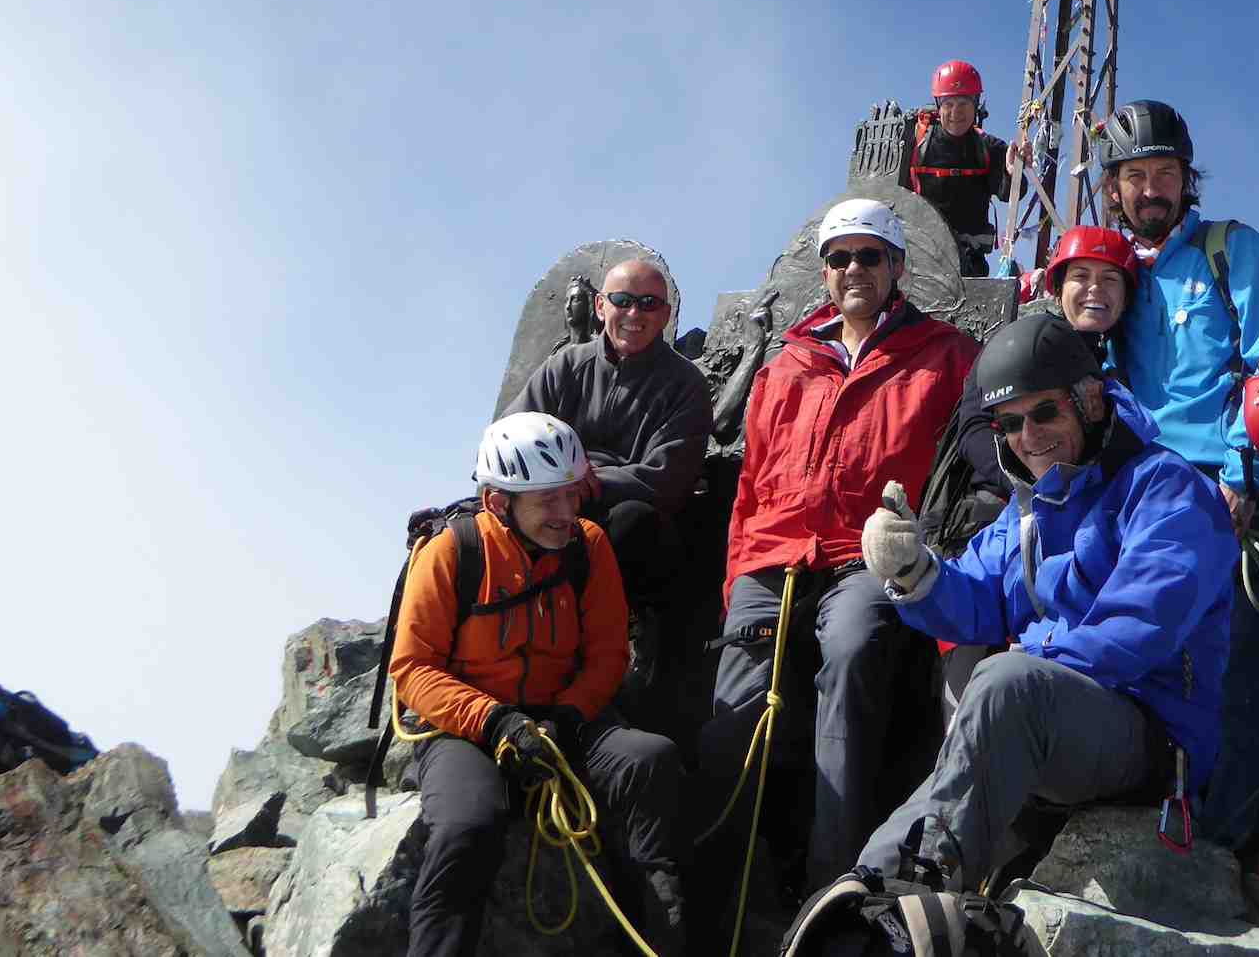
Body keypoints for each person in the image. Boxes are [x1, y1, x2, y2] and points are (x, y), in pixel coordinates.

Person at [854, 312, 1237, 887]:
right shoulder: (1029, 510)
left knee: (1003, 687)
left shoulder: (1169, 489)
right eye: (1008, 423)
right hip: (1050, 716)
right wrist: (914, 572)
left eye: (1045, 412)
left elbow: (1137, 629)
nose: (1027, 438)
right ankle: (862, 899)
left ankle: (921, 892)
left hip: (1155, 737)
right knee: (916, 811)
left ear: (1089, 400)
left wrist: (1029, 660)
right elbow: (978, 597)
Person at [700, 198, 978, 893]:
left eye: (869, 256)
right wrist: (739, 578)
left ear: (898, 267)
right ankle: (721, 889)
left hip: (866, 556)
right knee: (735, 709)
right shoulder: (787, 364)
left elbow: (979, 450)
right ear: (824, 274)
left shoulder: (945, 355)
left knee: (852, 661)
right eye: (839, 258)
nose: (853, 269)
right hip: (773, 554)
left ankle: (834, 887)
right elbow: (752, 480)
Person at [390, 412, 685, 957]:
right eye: (547, 499)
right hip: (467, 729)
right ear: (499, 503)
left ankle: (660, 939)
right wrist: (497, 721)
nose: (567, 512)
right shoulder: (451, 552)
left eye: (571, 495)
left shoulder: (588, 546)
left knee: (650, 761)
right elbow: (413, 668)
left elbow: (607, 653)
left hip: (560, 720)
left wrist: (568, 717)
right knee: (467, 826)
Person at [1097, 98, 1259, 850]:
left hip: (1233, 493)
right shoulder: (1109, 274)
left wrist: (1242, 473)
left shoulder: (1231, 249)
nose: (1151, 188)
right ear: (1113, 188)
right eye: (1135, 176)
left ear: (1189, 181)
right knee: (1157, 660)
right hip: (1148, 501)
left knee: (1245, 671)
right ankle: (1161, 823)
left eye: (1166, 173)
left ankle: (1238, 847)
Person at [925, 226, 1139, 723]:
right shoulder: (1012, 344)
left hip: (1087, 531)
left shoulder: (1126, 361)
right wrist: (1039, 482)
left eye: (1111, 279)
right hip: (997, 518)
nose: (1094, 290)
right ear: (1056, 285)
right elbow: (975, 428)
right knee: (974, 669)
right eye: (1080, 276)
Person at [508, 256, 712, 693]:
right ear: (600, 307)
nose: (635, 314)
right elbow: (509, 436)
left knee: (635, 522)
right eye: (622, 300)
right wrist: (554, 486)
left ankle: (626, 656)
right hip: (545, 503)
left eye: (649, 303)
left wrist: (589, 482)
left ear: (666, 313)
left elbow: (668, 476)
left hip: (622, 518)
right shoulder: (565, 366)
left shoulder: (687, 385)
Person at [901, 60, 1012, 276]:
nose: (956, 112)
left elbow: (1009, 194)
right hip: (919, 260)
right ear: (938, 106)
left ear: (976, 104)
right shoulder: (917, 144)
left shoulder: (989, 148)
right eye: (949, 105)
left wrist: (1012, 171)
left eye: (963, 104)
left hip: (969, 264)